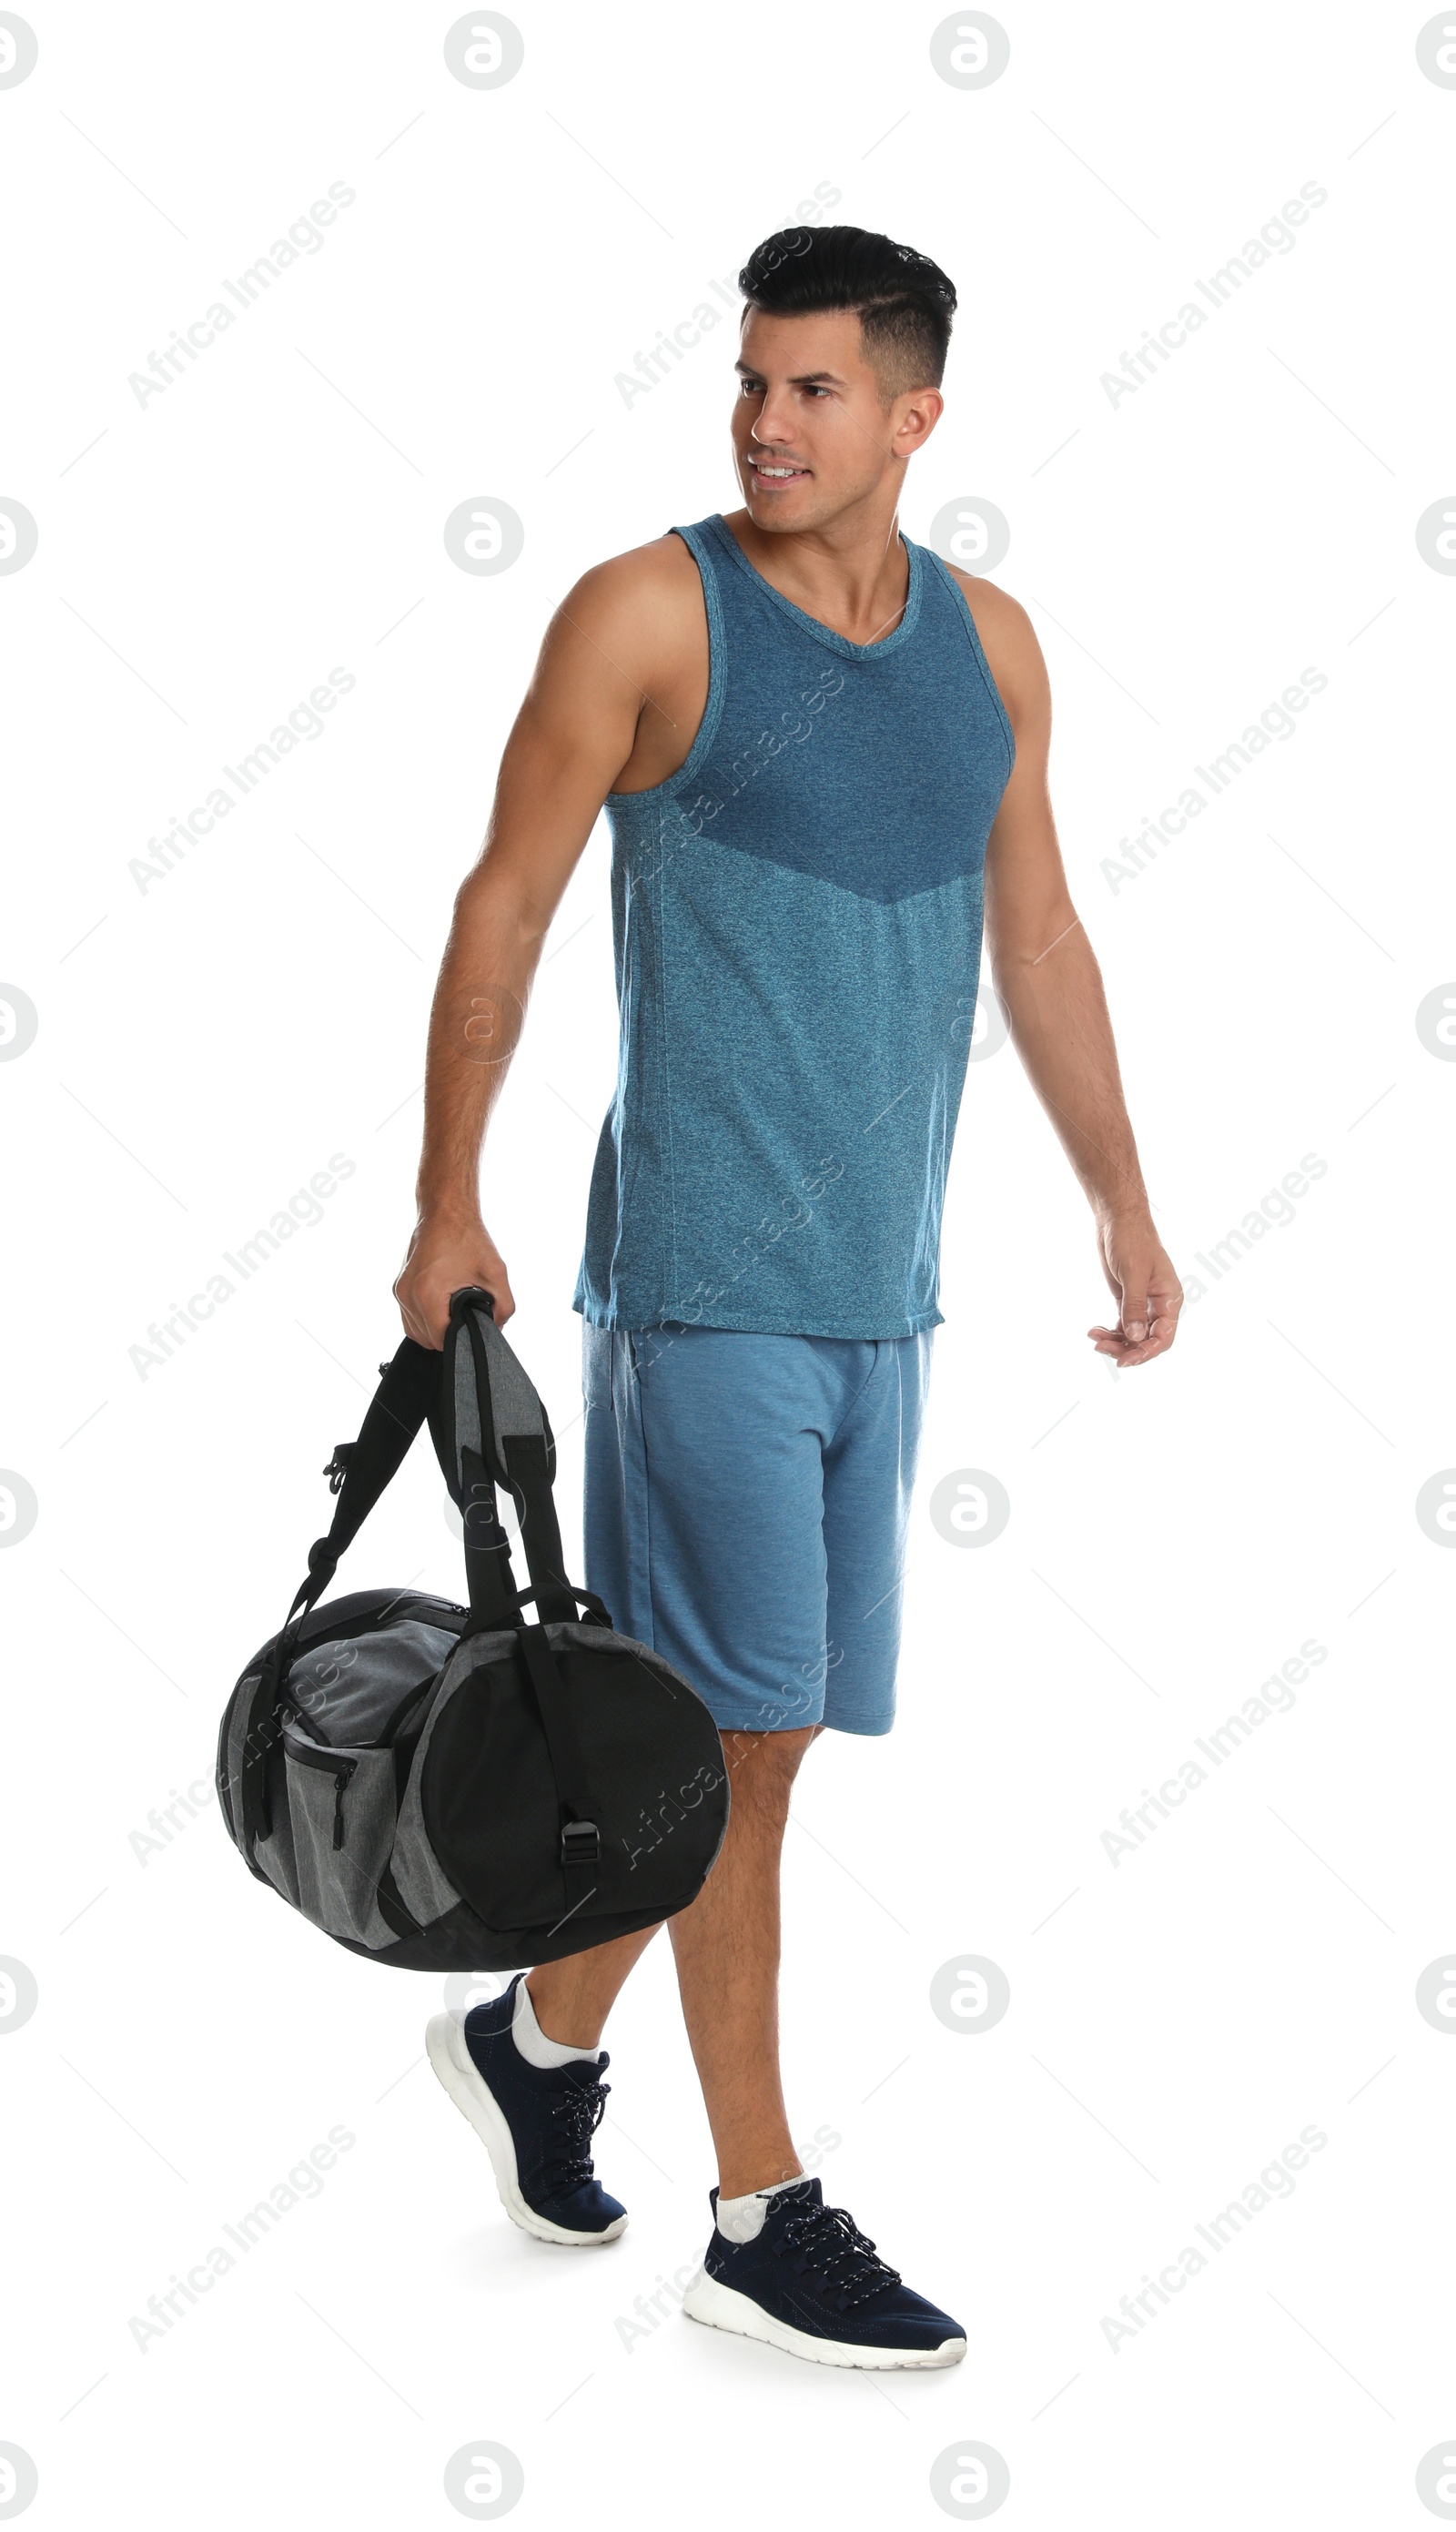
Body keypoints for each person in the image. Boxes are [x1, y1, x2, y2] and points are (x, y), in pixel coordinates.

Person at [398, 224, 1182, 2371]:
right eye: (749, 379)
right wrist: (443, 1200)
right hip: (699, 1290)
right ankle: (760, 2203)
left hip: (879, 1302)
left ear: (913, 414)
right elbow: (507, 904)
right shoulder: (649, 614)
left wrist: (1119, 1194)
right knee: (732, 1749)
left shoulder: (988, 650)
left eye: (813, 387)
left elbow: (1034, 940)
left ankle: (537, 2039)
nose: (763, 420)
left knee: (763, 1747)